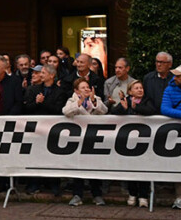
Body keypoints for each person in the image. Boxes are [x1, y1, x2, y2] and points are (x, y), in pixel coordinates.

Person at [110, 79, 156, 208]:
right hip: (129, 142)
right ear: (130, 91)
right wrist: (122, 107)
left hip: (145, 140)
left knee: (144, 169)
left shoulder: (147, 101)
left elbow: (151, 111)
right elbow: (113, 113)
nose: (140, 90)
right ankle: (132, 194)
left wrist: (137, 107)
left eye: (141, 88)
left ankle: (143, 196)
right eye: (136, 88)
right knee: (131, 169)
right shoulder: (126, 101)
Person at [63, 77, 108, 206]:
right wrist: (79, 102)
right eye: (83, 88)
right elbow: (66, 111)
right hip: (78, 139)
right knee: (78, 167)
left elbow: (104, 111)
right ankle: (77, 195)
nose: (87, 89)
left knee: (94, 166)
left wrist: (93, 100)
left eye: (88, 87)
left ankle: (97, 195)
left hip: (93, 138)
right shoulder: (72, 100)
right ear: (77, 91)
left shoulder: (96, 99)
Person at [159, 64, 181, 210]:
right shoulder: (170, 89)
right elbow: (164, 108)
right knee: (180, 163)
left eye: (179, 76)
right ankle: (180, 197)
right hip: (179, 132)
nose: (175, 78)